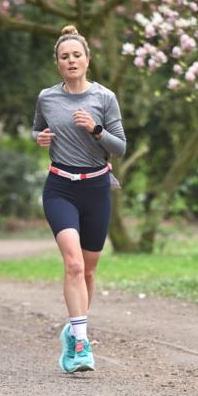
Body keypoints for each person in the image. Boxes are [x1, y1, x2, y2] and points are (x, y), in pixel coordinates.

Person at [33, 24, 126, 373]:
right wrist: (39, 137)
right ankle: (80, 345)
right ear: (58, 64)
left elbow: (120, 145)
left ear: (87, 59)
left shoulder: (104, 98)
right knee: (72, 263)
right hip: (60, 186)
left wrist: (96, 129)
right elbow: (37, 128)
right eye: (64, 57)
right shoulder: (47, 97)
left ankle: (75, 327)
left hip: (96, 188)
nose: (71, 61)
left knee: (88, 269)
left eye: (76, 55)